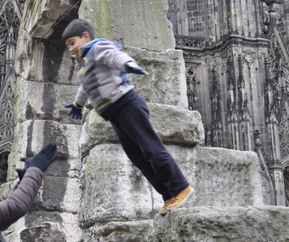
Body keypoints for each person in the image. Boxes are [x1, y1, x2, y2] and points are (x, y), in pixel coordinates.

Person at [62, 19, 195, 215]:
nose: (71, 49)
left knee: (151, 148)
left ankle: (181, 188)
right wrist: (77, 104)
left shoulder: (98, 47)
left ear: (85, 37)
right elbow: (85, 86)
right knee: (139, 158)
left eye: (72, 42)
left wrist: (128, 64)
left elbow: (115, 56)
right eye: (68, 46)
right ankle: (168, 195)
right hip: (114, 114)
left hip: (128, 105)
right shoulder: (84, 63)